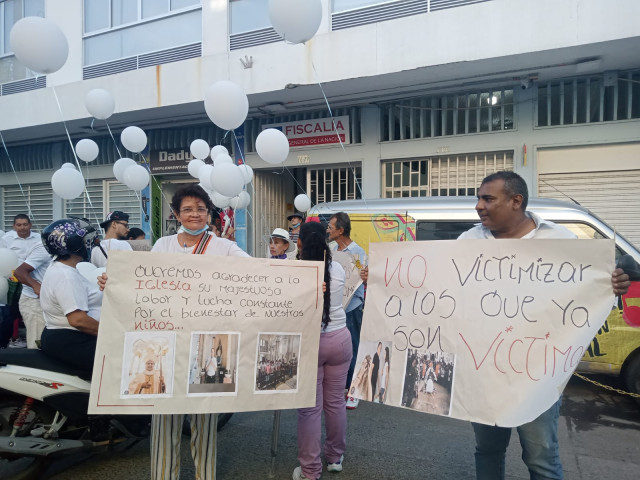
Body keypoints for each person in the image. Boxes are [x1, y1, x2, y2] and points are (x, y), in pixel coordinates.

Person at [458, 171, 630, 480]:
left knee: (541, 459)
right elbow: (446, 291)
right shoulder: (468, 240)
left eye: (487, 199)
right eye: (478, 199)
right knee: (487, 451)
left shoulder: (561, 241)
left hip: (539, 375)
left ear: (516, 201)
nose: (478, 206)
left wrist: (612, 286)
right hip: (483, 372)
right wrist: (387, 281)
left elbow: (588, 295)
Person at [99, 183, 249, 480]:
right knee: (164, 415)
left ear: (209, 213)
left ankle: (205, 475)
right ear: (176, 213)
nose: (195, 214)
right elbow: (142, 283)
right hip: (166, 342)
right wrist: (112, 282)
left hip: (210, 343)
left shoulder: (225, 247)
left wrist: (304, 284)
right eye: (188, 209)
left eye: (201, 209)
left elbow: (259, 275)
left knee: (204, 417)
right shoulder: (162, 246)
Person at [293, 222, 352, 480]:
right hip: (340, 339)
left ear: (299, 243)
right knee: (336, 402)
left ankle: (310, 471)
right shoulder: (338, 268)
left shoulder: (296, 272)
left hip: (310, 342)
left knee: (309, 408)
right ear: (327, 242)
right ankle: (335, 457)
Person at [39, 218, 102, 371]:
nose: (89, 244)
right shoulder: (66, 275)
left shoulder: (62, 269)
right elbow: (78, 320)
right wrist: (111, 333)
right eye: (85, 240)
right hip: (73, 339)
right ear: (74, 244)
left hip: (66, 337)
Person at [327, 212, 366, 409]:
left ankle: (354, 390)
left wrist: (365, 275)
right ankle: (343, 387)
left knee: (354, 348)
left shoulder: (357, 252)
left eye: (331, 228)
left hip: (352, 307)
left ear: (341, 230)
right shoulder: (333, 250)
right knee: (341, 351)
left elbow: (362, 275)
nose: (328, 230)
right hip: (336, 308)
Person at [1, 214, 41, 348]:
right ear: (14, 226)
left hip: (32, 278)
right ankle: (14, 337)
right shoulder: (7, 239)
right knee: (13, 308)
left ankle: (29, 336)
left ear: (30, 225)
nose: (22, 227)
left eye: (25, 224)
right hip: (12, 279)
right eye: (19, 225)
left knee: (30, 309)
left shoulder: (38, 239)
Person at [14, 241, 52, 348]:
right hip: (34, 302)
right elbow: (19, 272)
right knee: (37, 344)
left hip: (48, 302)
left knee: (46, 344)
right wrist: (36, 286)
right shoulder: (45, 248)